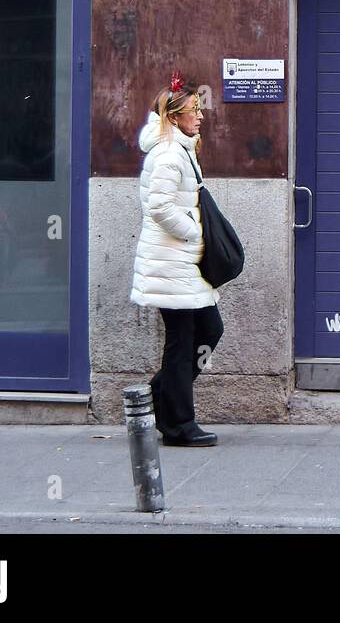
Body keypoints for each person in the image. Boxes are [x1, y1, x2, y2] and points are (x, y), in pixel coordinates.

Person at [130, 72, 223, 447]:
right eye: (192, 111)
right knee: (182, 343)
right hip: (172, 263)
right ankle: (179, 424)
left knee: (208, 331)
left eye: (199, 109)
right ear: (173, 117)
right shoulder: (169, 154)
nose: (199, 116)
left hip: (181, 265)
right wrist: (194, 232)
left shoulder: (180, 148)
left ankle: (159, 400)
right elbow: (160, 206)